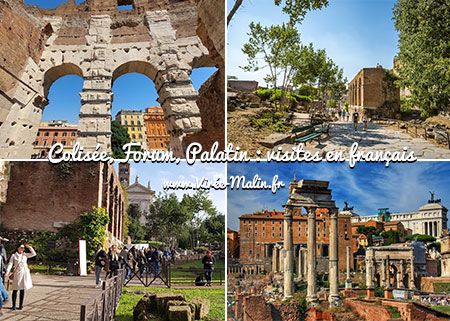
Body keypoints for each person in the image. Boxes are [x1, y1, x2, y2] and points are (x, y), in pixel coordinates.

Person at [5, 244, 36, 310]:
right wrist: (7, 272)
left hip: (24, 274)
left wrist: (30, 247)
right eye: (21, 247)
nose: (22, 249)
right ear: (17, 248)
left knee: (22, 290)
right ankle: (14, 305)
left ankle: (20, 305)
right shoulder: (14, 255)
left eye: (23, 248)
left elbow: (33, 254)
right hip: (17, 274)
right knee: (15, 290)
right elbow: (10, 264)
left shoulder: (24, 255)